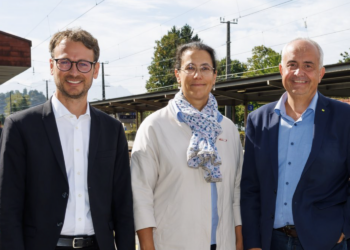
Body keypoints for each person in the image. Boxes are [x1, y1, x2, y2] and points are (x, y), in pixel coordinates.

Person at [0, 28, 134, 250]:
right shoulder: (20, 127)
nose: (74, 72)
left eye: (83, 63)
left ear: (95, 70)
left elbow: (123, 204)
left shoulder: (112, 130)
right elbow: (7, 207)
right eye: (65, 62)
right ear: (51, 66)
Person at [131, 41, 243, 250]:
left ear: (214, 75)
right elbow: (140, 195)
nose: (197, 76)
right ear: (178, 74)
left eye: (205, 69)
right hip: (172, 243)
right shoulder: (154, 126)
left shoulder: (228, 129)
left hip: (223, 243)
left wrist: (239, 242)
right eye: (190, 68)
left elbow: (236, 193)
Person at [241, 37, 350, 250]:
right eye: (292, 65)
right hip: (271, 241)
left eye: (308, 65)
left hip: (326, 241)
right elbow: (250, 188)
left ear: (320, 73)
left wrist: (345, 227)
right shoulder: (258, 120)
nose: (299, 72)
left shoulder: (344, 118)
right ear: (281, 70)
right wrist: (253, 242)